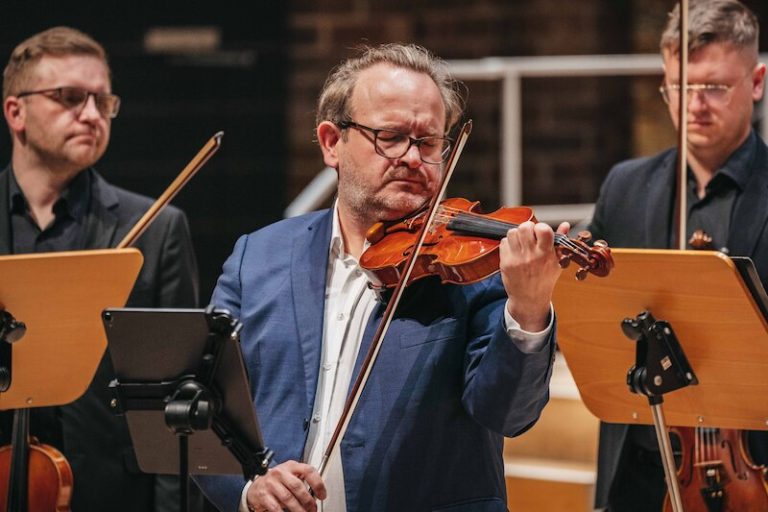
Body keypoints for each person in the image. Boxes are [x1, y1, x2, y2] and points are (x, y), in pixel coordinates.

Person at [195, 43, 569, 512]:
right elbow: (202, 408)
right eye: (390, 136)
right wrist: (249, 490)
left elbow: (508, 414)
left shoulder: (476, 270)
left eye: (429, 142)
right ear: (332, 142)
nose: (412, 158)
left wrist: (529, 308)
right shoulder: (259, 258)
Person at [0, 27, 199, 511]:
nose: (91, 115)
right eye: (69, 98)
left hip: (112, 495)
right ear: (15, 111)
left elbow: (176, 395)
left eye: (102, 101)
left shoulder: (156, 228)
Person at [588, 1, 767, 510]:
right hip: (639, 473)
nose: (695, 105)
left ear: (756, 82)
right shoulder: (625, 187)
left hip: (753, 470)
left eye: (714, 87)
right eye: (681, 87)